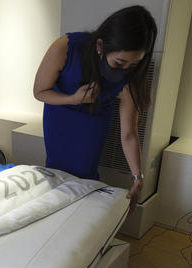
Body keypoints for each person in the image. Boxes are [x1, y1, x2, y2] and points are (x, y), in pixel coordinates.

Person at [33, 5, 157, 212]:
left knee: (85, 172)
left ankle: (78, 221)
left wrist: (138, 177)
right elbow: (39, 92)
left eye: (133, 65)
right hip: (60, 113)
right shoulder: (67, 47)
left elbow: (128, 134)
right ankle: (54, 216)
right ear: (101, 45)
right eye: (119, 62)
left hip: (95, 120)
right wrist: (73, 99)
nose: (125, 70)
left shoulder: (130, 80)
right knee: (55, 171)